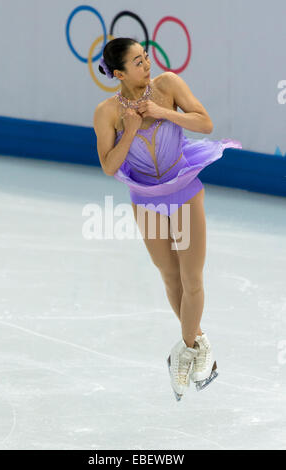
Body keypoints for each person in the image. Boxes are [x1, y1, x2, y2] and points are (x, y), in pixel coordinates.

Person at [93, 37, 241, 400]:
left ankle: (186, 350)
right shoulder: (107, 112)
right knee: (170, 277)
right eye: (138, 62)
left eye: (146, 57)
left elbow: (205, 123)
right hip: (146, 203)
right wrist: (128, 131)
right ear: (119, 74)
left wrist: (164, 113)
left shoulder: (169, 85)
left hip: (185, 191)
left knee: (192, 279)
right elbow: (110, 166)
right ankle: (197, 344)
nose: (147, 64)